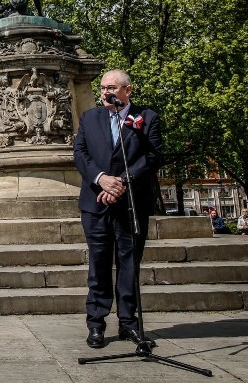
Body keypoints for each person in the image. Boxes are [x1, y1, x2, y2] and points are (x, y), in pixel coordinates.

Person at [73, 70, 162, 349]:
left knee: (129, 266)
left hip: (131, 203)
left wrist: (122, 182)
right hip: (95, 204)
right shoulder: (90, 118)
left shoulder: (146, 118)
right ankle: (96, 324)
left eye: (110, 88)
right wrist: (102, 180)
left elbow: (153, 156)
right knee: (98, 266)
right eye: (101, 88)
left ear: (127, 91)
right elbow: (80, 154)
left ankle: (129, 323)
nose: (104, 92)